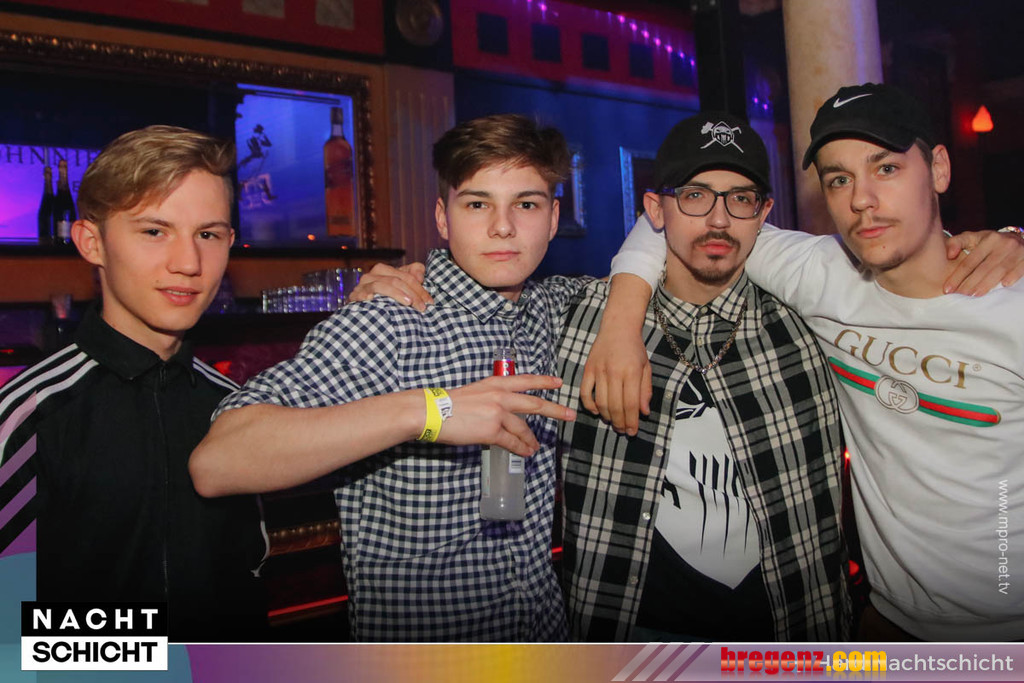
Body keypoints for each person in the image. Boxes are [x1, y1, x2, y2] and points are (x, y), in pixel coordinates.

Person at [189, 114, 654, 642]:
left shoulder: (556, 309)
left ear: (553, 218)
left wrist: (623, 320)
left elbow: (672, 231)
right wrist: (432, 411)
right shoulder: (390, 320)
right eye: (477, 204)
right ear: (442, 217)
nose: (502, 227)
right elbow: (218, 461)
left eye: (526, 204)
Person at [612, 83, 1024, 641]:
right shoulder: (821, 273)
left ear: (939, 170)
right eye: (838, 179)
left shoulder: (1012, 306)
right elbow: (680, 215)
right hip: (885, 622)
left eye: (885, 168)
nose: (862, 200)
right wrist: (622, 323)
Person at [554, 112, 848, 642]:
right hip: (625, 636)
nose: (718, 220)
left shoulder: (812, 325)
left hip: (792, 631)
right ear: (655, 209)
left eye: (740, 199)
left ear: (764, 214)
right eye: (694, 195)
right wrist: (403, 280)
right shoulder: (578, 320)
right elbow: (483, 304)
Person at [0, 125, 267, 641]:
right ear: (92, 242)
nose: (188, 264)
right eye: (154, 231)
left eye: (208, 235)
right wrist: (170, 660)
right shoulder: (29, 417)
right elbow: (10, 636)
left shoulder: (235, 411)